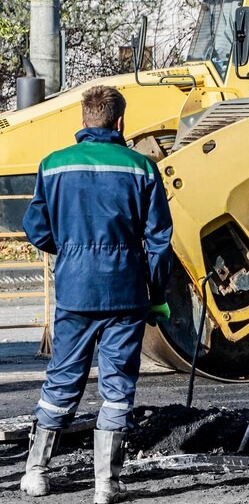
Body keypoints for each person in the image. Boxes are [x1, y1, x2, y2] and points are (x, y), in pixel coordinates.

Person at [20, 85, 173, 503]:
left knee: (62, 379)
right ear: (120, 122)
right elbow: (159, 241)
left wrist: (71, 250)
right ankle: (106, 484)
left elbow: (35, 228)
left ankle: (36, 474)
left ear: (84, 119)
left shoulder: (53, 165)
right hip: (126, 293)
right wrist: (157, 293)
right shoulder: (142, 168)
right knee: (118, 386)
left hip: (75, 292)